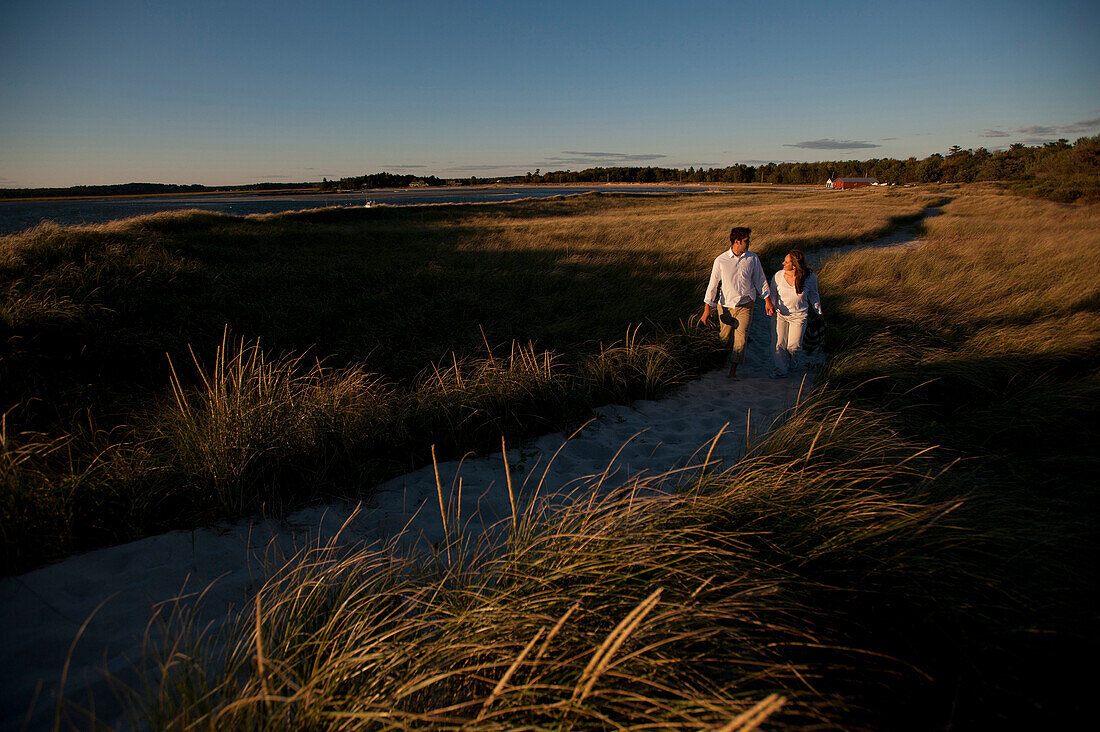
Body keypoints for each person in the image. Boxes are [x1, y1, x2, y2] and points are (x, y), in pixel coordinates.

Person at [701, 226, 774, 379]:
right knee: (724, 338)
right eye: (746, 241)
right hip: (725, 306)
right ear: (737, 241)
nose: (749, 243)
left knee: (741, 339)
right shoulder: (721, 260)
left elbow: (760, 280)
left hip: (746, 305)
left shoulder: (752, 258)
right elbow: (713, 285)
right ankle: (721, 363)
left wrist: (767, 300)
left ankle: (732, 372)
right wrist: (707, 309)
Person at [769, 249, 823, 379]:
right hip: (780, 315)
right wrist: (771, 307)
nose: (783, 263)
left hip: (800, 316)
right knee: (779, 343)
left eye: (786, 262)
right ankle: (781, 370)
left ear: (794, 265)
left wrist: (818, 312)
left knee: (794, 346)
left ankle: (792, 362)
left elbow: (814, 296)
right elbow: (773, 295)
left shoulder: (809, 277)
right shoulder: (778, 276)